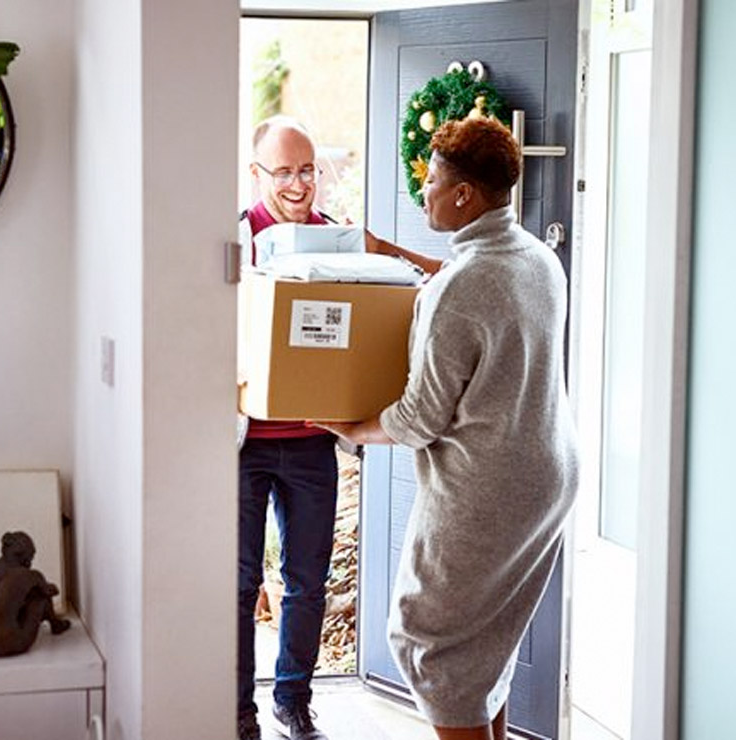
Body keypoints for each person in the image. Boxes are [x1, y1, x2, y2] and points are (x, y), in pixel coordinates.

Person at [314, 116, 579, 740]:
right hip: (549, 476)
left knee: (427, 642)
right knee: (488, 642)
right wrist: (397, 255)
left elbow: (418, 419)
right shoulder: (536, 257)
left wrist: (350, 427)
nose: (423, 192)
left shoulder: (460, 288)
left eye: (431, 181)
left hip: (490, 487)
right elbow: (474, 287)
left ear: (464, 195)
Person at [236, 116, 337, 740]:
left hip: (312, 439)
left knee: (307, 580)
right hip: (245, 444)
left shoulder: (335, 238)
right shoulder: (236, 238)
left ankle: (292, 702)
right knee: (239, 583)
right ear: (257, 174)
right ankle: (237, 710)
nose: (298, 185)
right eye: (284, 172)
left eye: (307, 171)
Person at [0, 531, 71, 657]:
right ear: (26, 556)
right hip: (4, 643)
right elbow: (52, 591)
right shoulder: (29, 575)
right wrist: (39, 584)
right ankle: (56, 625)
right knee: (40, 596)